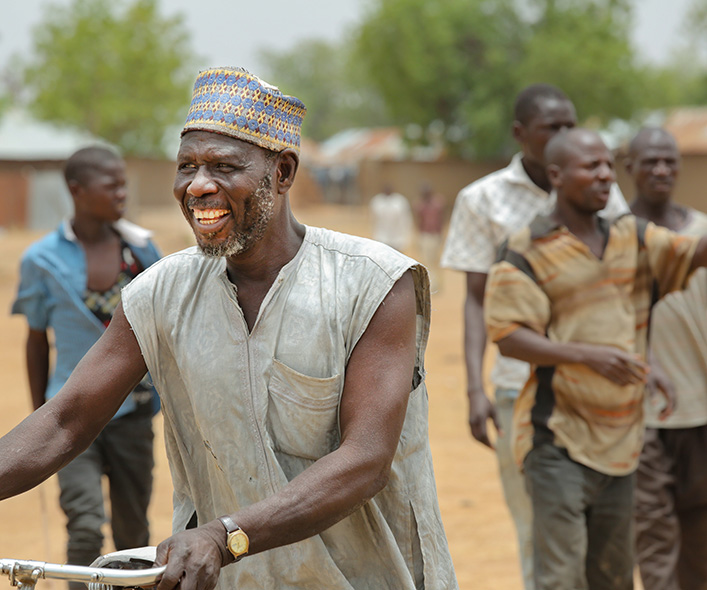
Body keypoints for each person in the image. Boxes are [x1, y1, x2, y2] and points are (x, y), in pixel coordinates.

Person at [0, 67, 458, 590]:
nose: (197, 186)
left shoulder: (374, 284)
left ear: (282, 173)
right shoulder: (158, 294)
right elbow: (66, 420)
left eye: (223, 166)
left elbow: (365, 459)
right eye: (187, 167)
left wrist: (225, 537)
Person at [483, 127, 707, 590]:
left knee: (613, 578)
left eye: (608, 165)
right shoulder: (527, 248)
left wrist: (641, 364)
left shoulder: (634, 238)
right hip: (556, 439)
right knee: (562, 577)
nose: (606, 175)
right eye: (592, 167)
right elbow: (509, 337)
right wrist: (588, 357)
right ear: (557, 175)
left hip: (623, 443)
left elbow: (695, 252)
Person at [439, 83, 627, 590]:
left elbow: (626, 281)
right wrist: (475, 390)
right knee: (537, 532)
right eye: (553, 128)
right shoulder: (483, 199)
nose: (566, 135)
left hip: (600, 389)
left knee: (609, 535)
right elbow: (476, 300)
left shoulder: (602, 189)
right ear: (521, 135)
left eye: (571, 124)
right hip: (519, 389)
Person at [10, 146, 161, 588]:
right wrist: (42, 413)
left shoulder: (140, 251)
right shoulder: (42, 260)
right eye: (111, 184)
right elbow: (37, 342)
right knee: (84, 524)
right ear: (76, 190)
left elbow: (163, 325)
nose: (122, 192)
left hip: (133, 412)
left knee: (133, 534)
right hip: (71, 417)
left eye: (124, 183)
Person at [627, 128, 707, 590]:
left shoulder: (701, 232)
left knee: (700, 544)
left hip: (701, 410)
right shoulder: (614, 238)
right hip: (643, 415)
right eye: (651, 161)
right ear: (629, 167)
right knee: (655, 544)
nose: (662, 170)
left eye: (670, 161)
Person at [414, 183, 445, 292]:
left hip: (435, 235)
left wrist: (441, 235)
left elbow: (441, 220)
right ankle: (432, 284)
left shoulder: (438, 203)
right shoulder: (420, 205)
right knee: (427, 261)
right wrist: (419, 236)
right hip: (425, 235)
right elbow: (419, 221)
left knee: (435, 260)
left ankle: (437, 283)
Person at [369, 183, 413, 251]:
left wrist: (405, 237)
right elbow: (373, 219)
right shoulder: (377, 201)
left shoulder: (400, 201)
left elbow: (406, 220)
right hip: (382, 237)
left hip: (398, 238)